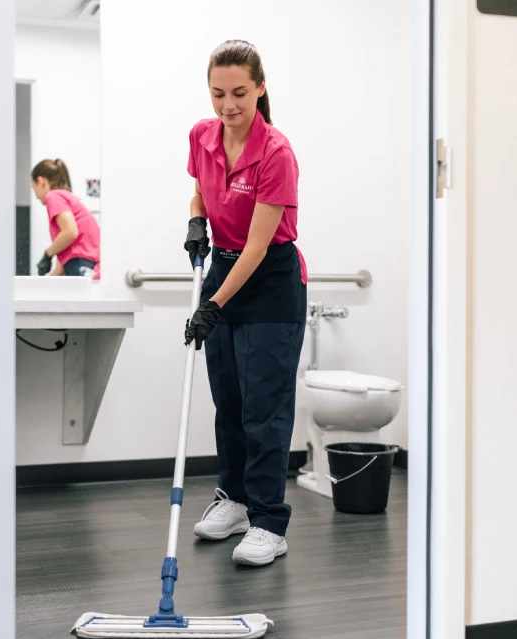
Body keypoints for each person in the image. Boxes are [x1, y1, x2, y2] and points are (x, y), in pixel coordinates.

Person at [184, 40, 307, 567]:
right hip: (224, 269)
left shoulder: (276, 151)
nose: (227, 104)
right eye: (218, 94)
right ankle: (233, 501)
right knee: (229, 401)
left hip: (269, 279)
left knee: (265, 410)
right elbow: (199, 190)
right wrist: (196, 221)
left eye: (239, 93)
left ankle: (268, 521)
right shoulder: (202, 135)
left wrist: (212, 304)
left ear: (260, 87)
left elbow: (258, 245)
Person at [31, 159, 101, 278]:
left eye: (34, 188)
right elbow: (61, 267)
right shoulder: (67, 197)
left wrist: (47, 255)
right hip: (88, 266)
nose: (36, 194)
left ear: (40, 181)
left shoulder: (53, 196)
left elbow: (70, 232)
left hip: (80, 263)